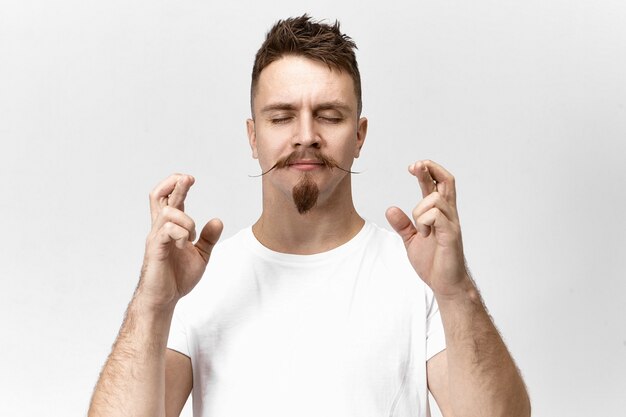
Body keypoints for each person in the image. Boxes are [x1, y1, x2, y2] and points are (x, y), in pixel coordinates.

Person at [88, 15, 530, 417]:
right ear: (253, 135)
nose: (306, 136)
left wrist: (456, 292)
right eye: (281, 117)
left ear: (359, 135)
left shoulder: (420, 275)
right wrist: (152, 303)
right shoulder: (197, 281)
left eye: (329, 116)